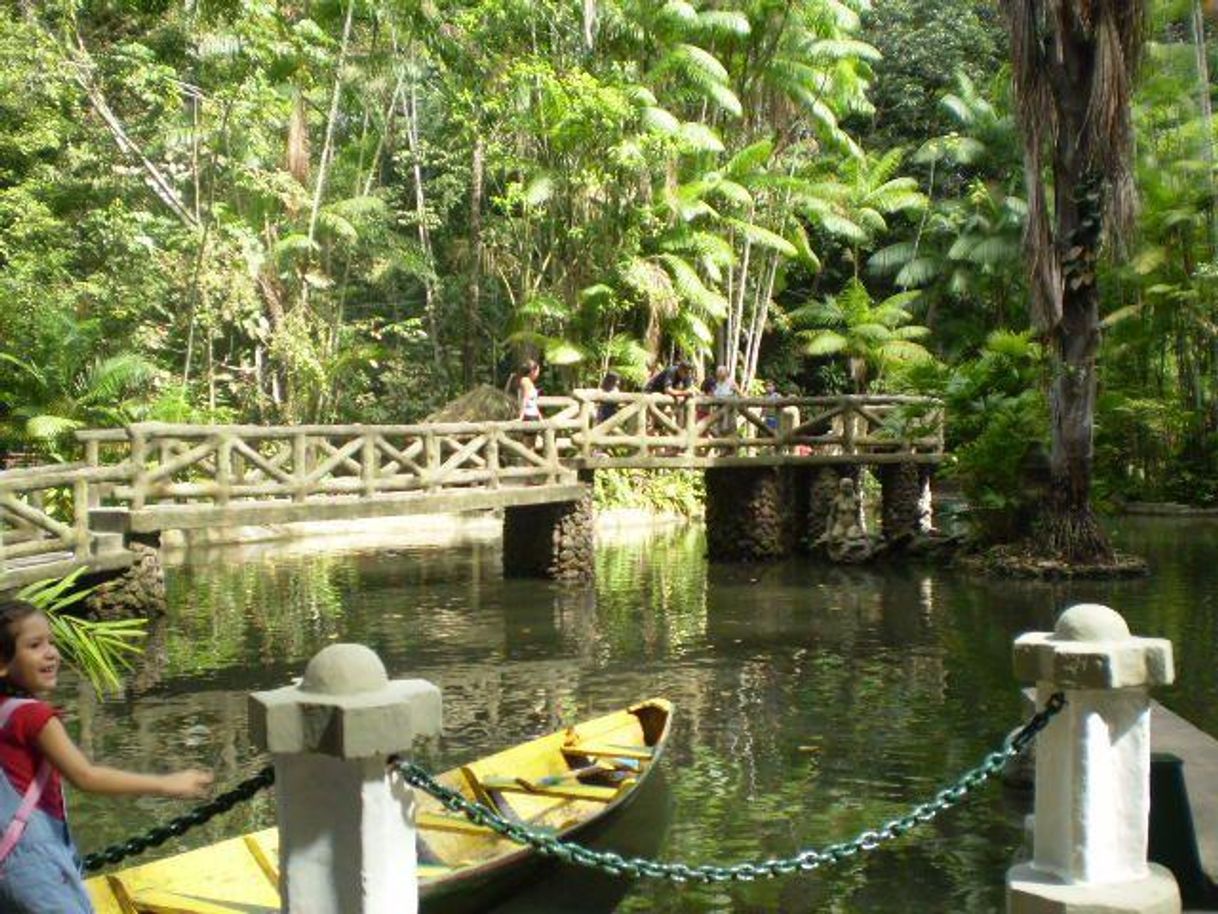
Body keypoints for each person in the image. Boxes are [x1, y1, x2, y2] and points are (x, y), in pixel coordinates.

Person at [0, 599, 213, 913]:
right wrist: (168, 784)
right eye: (34, 645)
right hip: (36, 864)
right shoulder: (34, 718)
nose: (51, 653)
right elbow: (86, 776)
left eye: (52, 642)